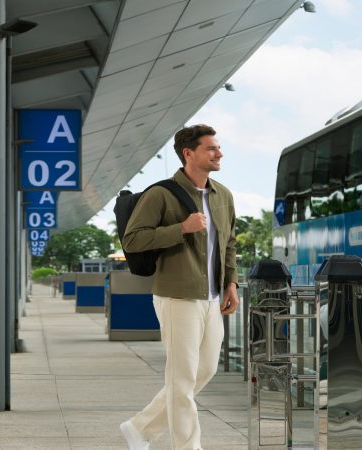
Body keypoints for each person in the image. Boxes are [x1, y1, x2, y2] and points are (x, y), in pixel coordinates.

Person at [119, 124, 240, 450]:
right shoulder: (161, 194)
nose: (219, 153)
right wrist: (181, 229)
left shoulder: (223, 196)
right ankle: (188, 447)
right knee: (182, 376)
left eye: (218, 147)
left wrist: (231, 283)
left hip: (212, 296)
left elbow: (229, 244)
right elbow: (133, 238)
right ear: (189, 153)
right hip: (176, 294)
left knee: (206, 369)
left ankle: (140, 427)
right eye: (211, 148)